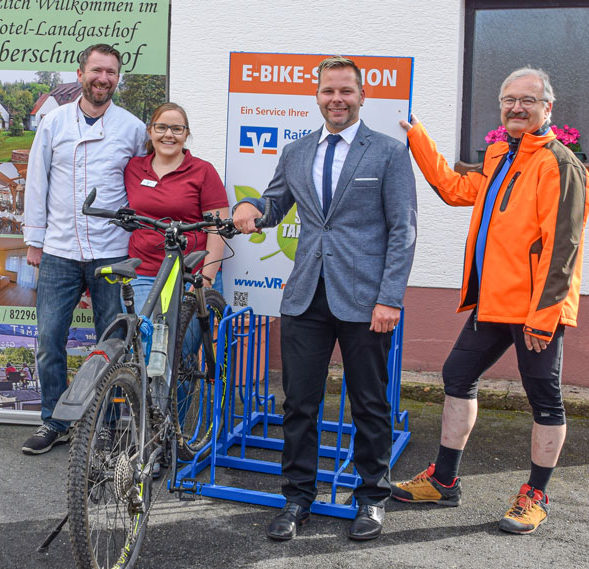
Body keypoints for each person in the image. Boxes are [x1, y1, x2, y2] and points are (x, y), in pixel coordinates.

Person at [393, 67, 588, 534]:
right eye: (508, 99)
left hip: (536, 310)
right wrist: (416, 136)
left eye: (527, 100)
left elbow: (564, 249)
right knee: (458, 375)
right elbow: (454, 189)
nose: (516, 107)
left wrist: (544, 318)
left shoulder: (561, 164)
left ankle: (536, 495)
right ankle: (443, 480)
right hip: (493, 302)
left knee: (545, 398)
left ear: (547, 109)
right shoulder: (500, 156)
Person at [233, 56, 417, 541]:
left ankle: (372, 497)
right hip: (305, 297)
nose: (337, 99)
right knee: (299, 404)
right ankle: (297, 499)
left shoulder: (389, 154)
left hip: (365, 299)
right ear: (316, 97)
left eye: (346, 91)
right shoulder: (296, 152)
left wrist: (390, 298)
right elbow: (274, 206)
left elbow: (403, 231)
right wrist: (249, 206)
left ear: (362, 96)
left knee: (370, 404)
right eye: (328, 91)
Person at [21, 44, 146, 455]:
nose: (103, 78)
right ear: (80, 74)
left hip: (111, 252)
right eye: (96, 70)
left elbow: (144, 183)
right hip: (58, 249)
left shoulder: (132, 128)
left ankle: (105, 425)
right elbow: (36, 183)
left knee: (110, 343)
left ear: (117, 78)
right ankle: (54, 421)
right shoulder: (53, 122)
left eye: (111, 72)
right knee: (48, 339)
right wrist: (34, 241)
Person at [124, 102, 229, 313]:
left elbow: (218, 230)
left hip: (190, 274)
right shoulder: (133, 168)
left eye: (177, 129)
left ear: (186, 133)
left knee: (183, 344)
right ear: (150, 130)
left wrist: (206, 278)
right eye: (161, 127)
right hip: (144, 273)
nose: (168, 135)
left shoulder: (203, 171)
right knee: (148, 340)